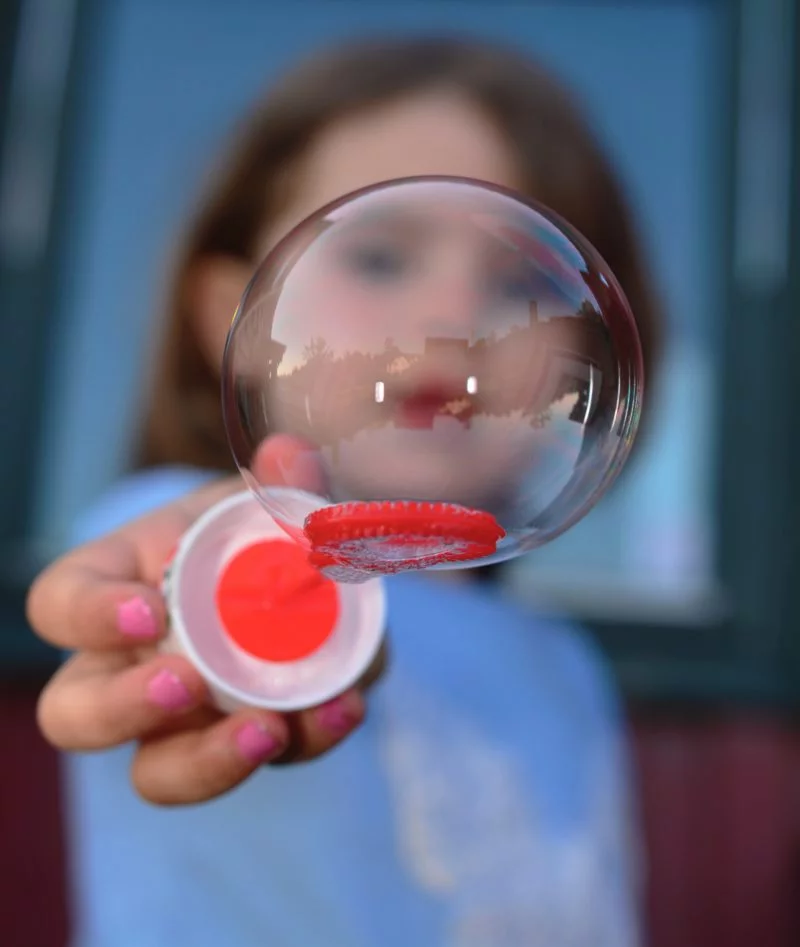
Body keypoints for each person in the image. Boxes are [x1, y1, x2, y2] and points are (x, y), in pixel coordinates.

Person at [28, 36, 662, 947]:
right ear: (228, 321)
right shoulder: (199, 536)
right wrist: (197, 591)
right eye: (381, 260)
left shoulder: (564, 664)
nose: (452, 317)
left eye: (522, 281)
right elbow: (179, 568)